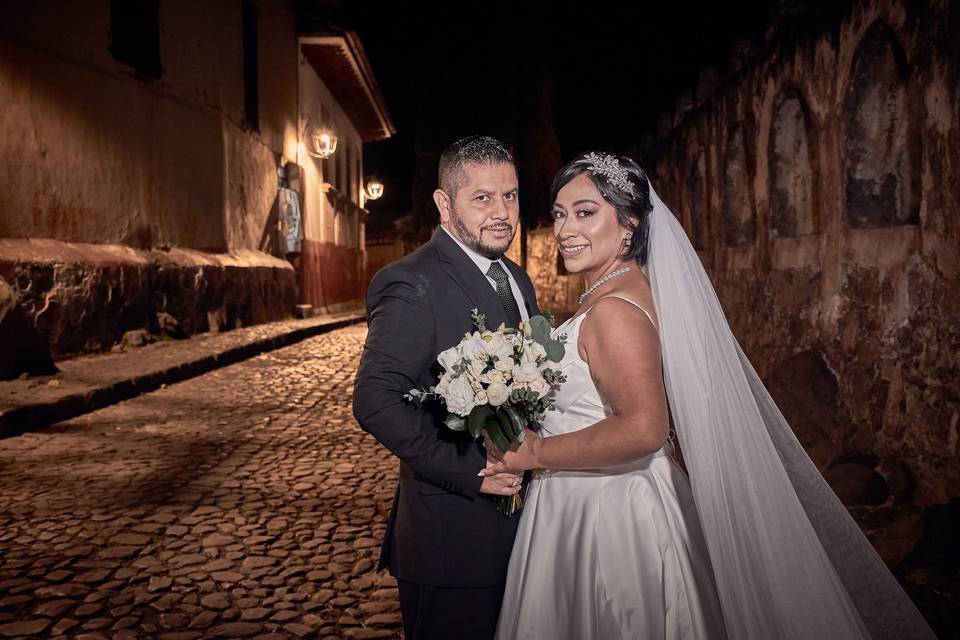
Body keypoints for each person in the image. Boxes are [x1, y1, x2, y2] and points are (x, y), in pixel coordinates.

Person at [485, 151, 938, 640]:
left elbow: (644, 427)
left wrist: (535, 452)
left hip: (607, 514)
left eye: (586, 212)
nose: (566, 228)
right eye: (559, 213)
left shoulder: (614, 311)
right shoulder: (617, 291)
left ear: (630, 224)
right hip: (597, 495)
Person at [352, 135, 540, 640]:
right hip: (450, 540)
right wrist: (471, 472)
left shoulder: (519, 281)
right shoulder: (412, 282)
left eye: (511, 195)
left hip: (524, 537)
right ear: (444, 203)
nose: (501, 212)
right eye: (482, 198)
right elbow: (374, 400)